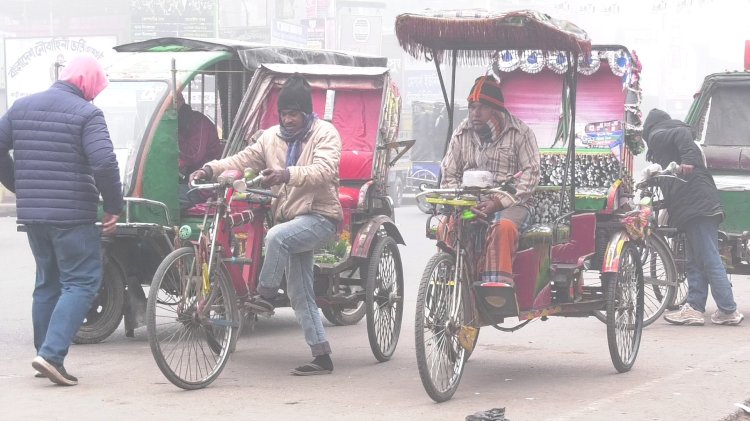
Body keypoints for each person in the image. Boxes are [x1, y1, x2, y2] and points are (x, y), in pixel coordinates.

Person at [190, 74, 341, 375]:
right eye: (284, 113)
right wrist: (209, 168)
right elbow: (243, 158)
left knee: (276, 237)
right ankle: (322, 356)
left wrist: (287, 174)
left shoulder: (326, 134)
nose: (289, 119)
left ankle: (265, 295)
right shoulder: (271, 137)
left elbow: (324, 170)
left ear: (307, 113)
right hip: (290, 219)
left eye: (294, 114)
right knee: (300, 293)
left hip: (321, 217)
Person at [0, 54, 123, 386]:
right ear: (87, 83)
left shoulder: (21, 107)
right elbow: (104, 162)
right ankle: (51, 355)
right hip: (71, 214)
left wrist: (19, 185)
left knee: (48, 282)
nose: (95, 95)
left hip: (34, 214)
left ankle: (45, 354)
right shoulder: (87, 113)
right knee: (81, 281)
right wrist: (114, 205)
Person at [643, 109, 744, 326]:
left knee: (709, 257)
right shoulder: (668, 142)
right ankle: (694, 308)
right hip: (695, 207)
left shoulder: (658, 133)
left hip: (698, 207)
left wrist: (688, 160)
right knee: (695, 261)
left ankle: (728, 309)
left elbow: (681, 133)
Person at [441, 75, 541, 286]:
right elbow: (449, 173)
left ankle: (495, 290)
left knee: (501, 227)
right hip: (471, 206)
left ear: (496, 111)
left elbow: (531, 175)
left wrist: (496, 203)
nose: (474, 113)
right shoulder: (462, 132)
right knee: (449, 226)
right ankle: (449, 282)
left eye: (482, 108)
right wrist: (465, 204)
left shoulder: (521, 133)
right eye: (471, 107)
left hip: (510, 205)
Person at [176, 91, 223, 210]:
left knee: (165, 196)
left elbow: (194, 155)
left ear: (179, 101)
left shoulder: (198, 122)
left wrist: (173, 134)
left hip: (203, 186)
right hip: (185, 179)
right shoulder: (181, 123)